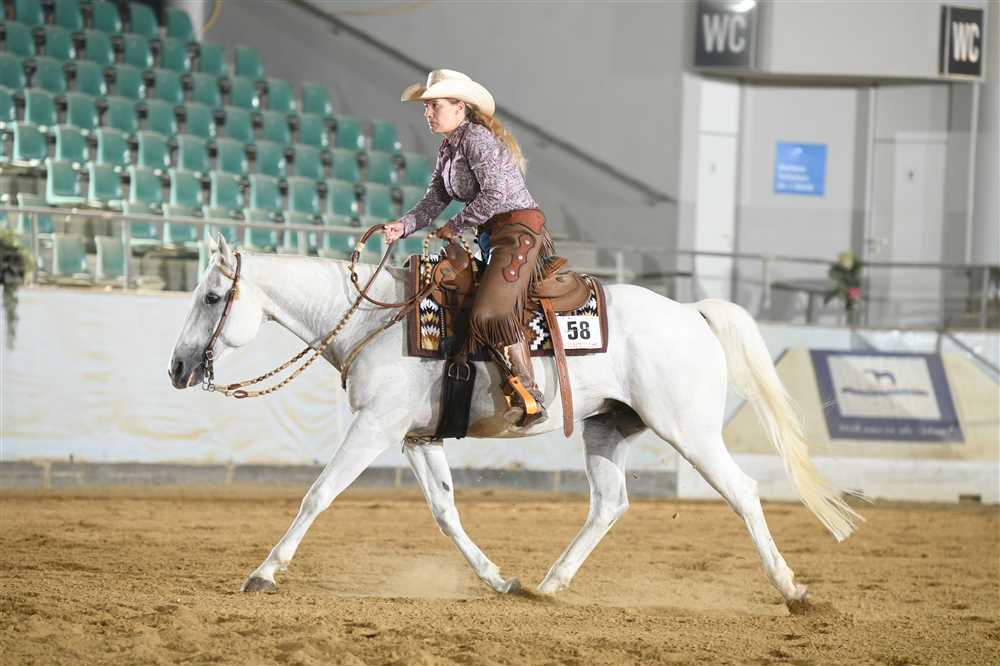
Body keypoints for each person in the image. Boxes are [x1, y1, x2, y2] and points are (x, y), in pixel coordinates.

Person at [382, 69, 554, 428]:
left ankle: (530, 395)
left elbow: (495, 194)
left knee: (490, 311)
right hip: (493, 235)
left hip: (519, 230)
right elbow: (435, 199)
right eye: (426, 107)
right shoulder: (449, 148)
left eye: (435, 106)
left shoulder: (476, 139)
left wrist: (455, 225)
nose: (428, 113)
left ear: (460, 107)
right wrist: (404, 225)